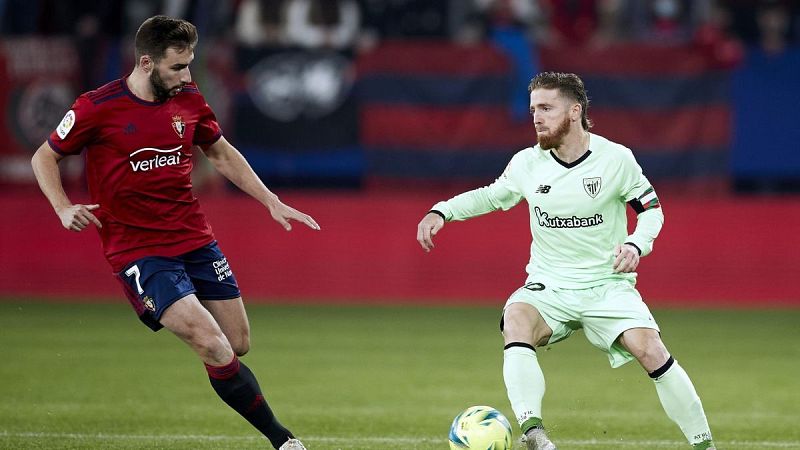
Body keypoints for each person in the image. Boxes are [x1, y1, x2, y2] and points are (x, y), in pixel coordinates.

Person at [30, 15, 317, 450]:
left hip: (195, 238)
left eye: (190, 65)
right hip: (138, 250)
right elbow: (43, 157)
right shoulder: (96, 106)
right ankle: (285, 441)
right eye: (177, 67)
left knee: (237, 345)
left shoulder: (189, 99)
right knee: (214, 346)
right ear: (146, 63)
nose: (187, 76)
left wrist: (270, 200)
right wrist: (62, 207)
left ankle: (204, 341)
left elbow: (220, 153)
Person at [416, 72, 716, 450]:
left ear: (575, 111)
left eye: (546, 108)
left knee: (651, 350)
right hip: (550, 284)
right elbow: (491, 196)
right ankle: (534, 434)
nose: (536, 118)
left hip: (607, 285)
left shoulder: (616, 159)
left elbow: (651, 210)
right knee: (516, 319)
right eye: (532, 110)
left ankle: (705, 446)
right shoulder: (528, 163)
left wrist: (637, 245)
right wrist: (441, 212)